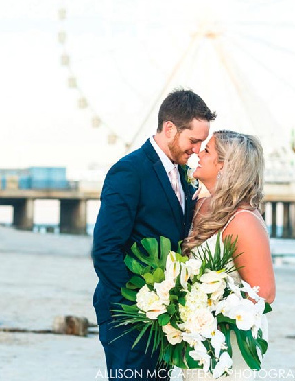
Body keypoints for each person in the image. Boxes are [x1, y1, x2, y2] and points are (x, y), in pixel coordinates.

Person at [92, 89, 216, 381]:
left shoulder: (183, 174)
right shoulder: (129, 171)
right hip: (128, 315)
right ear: (170, 128)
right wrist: (143, 304)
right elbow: (105, 250)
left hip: (164, 317)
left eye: (202, 143)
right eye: (193, 141)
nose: (197, 150)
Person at [182, 130, 276, 381]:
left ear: (223, 165)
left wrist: (215, 313)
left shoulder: (243, 221)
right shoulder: (201, 205)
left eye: (208, 151)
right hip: (195, 336)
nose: (198, 152)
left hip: (226, 343)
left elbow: (264, 293)